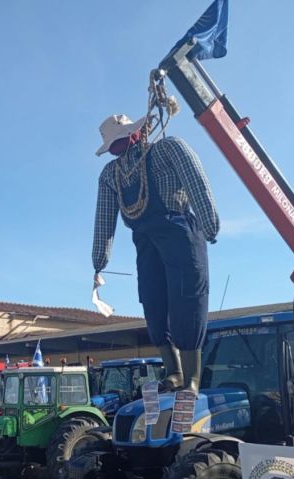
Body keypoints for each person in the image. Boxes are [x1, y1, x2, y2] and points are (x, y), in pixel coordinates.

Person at [92, 114, 219, 393]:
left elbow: (196, 179)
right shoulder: (110, 175)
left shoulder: (168, 149)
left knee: (188, 298)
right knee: (153, 300)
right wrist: (99, 261)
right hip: (145, 240)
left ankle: (192, 377)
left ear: (135, 133)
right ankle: (173, 371)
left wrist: (210, 223)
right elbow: (104, 218)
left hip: (180, 232)